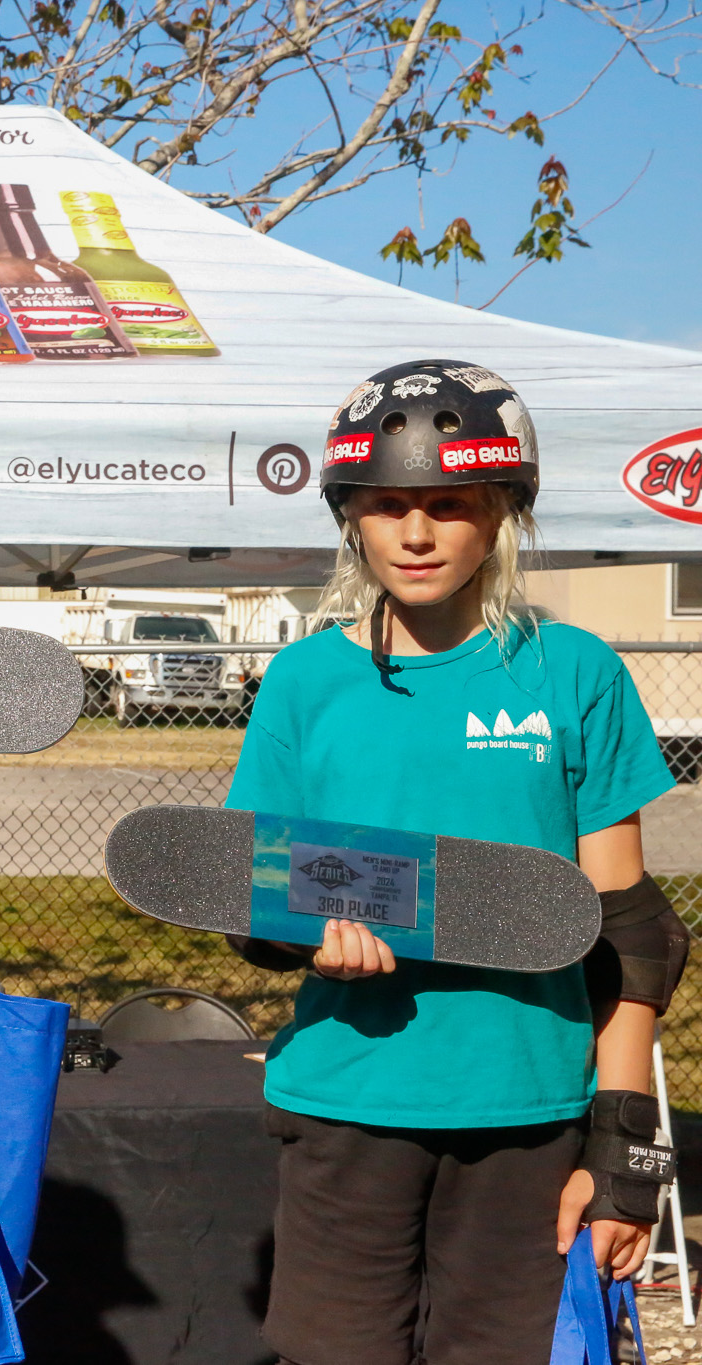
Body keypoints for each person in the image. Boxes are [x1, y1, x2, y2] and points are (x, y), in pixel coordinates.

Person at [226, 359, 684, 1365]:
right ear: (350, 516)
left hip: (527, 1117)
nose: (417, 533)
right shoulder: (304, 681)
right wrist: (304, 942)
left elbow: (632, 935)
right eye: (386, 505)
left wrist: (623, 1159)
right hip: (346, 1101)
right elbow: (260, 891)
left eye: (447, 504)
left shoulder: (572, 672)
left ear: (500, 514)